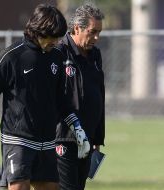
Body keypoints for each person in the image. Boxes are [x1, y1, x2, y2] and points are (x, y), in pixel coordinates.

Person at [0, 4, 90, 190]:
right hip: (18, 140)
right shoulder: (12, 57)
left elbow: (61, 99)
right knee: (18, 187)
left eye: (58, 38)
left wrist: (77, 128)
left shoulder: (56, 57)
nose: (55, 42)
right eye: (52, 37)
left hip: (47, 141)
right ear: (38, 31)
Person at [55, 4, 105, 190]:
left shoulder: (95, 55)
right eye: (92, 32)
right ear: (77, 28)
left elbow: (99, 95)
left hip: (88, 138)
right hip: (64, 138)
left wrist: (97, 139)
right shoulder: (59, 52)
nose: (96, 38)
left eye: (99, 32)